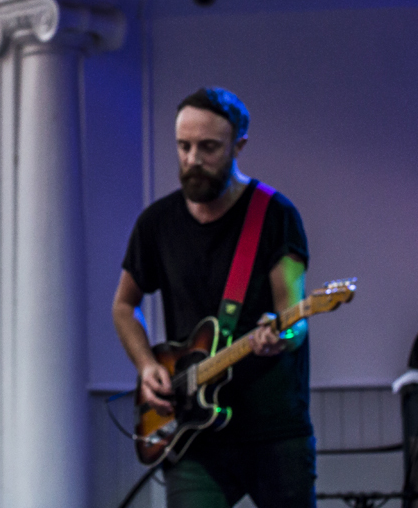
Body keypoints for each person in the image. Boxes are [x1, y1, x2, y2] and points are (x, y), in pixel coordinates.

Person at [111, 88, 314, 508]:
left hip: (273, 431)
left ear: (239, 145)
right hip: (192, 433)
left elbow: (294, 318)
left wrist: (281, 336)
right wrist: (147, 365)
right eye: (183, 146)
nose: (192, 160)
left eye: (208, 148)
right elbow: (123, 306)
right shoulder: (156, 223)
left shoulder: (275, 216)